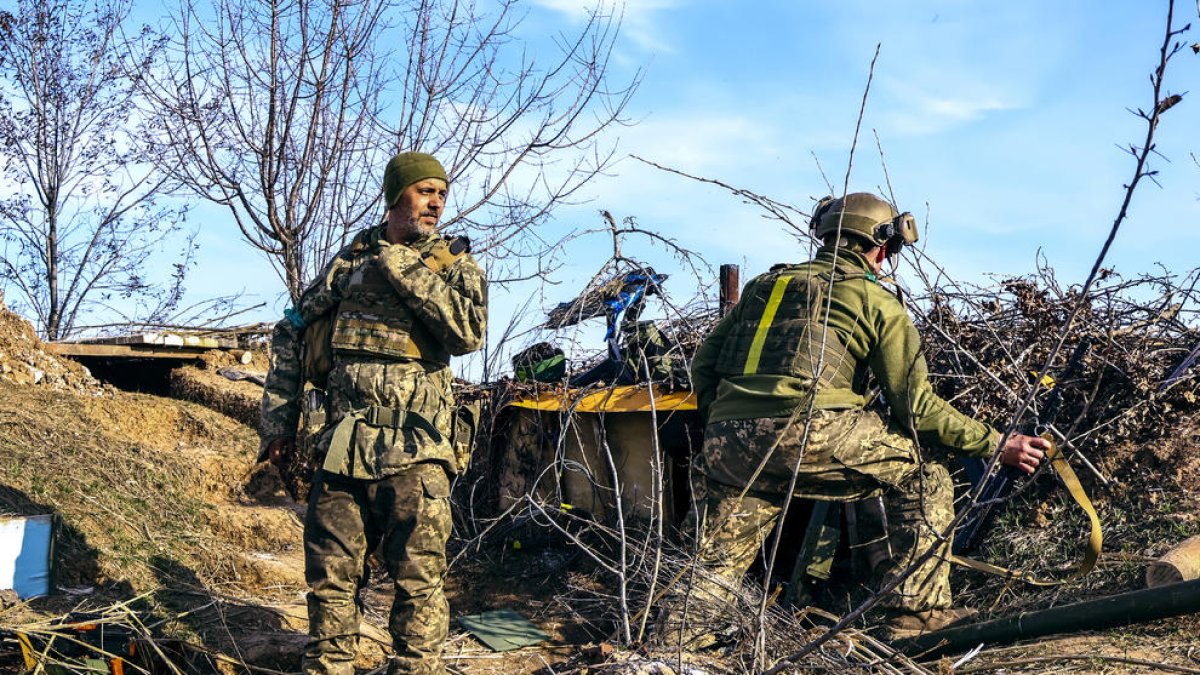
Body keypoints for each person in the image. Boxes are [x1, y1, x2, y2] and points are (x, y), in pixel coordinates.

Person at [684, 192, 1047, 638]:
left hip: (729, 442)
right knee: (924, 477)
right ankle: (917, 615)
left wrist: (728, 424)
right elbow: (917, 410)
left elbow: (703, 367)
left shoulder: (764, 286)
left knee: (714, 561)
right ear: (882, 246)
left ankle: (675, 647)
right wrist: (997, 444)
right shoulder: (877, 303)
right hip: (814, 433)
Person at [259, 151, 487, 674]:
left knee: (418, 586)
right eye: (423, 191)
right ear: (395, 197)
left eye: (441, 194)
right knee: (330, 580)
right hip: (343, 448)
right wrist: (278, 423)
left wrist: (403, 265)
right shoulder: (350, 261)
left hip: (418, 452)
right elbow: (292, 328)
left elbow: (467, 332)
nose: (435, 203)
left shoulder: (455, 266)